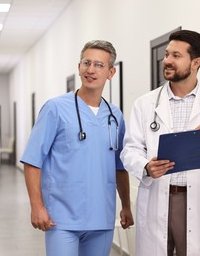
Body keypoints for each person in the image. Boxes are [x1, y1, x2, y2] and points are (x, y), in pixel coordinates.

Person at [120, 30, 200, 256]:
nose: (167, 60)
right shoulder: (144, 104)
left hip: (197, 199)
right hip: (157, 197)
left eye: (176, 56)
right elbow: (129, 150)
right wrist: (146, 166)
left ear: (196, 62)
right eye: (167, 54)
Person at [21, 40, 134, 256]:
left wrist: (126, 206)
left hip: (102, 217)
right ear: (79, 67)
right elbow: (32, 160)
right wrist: (37, 206)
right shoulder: (55, 108)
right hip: (61, 217)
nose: (90, 70)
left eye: (99, 65)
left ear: (111, 72)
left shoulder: (114, 115)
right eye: (86, 63)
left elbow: (120, 166)